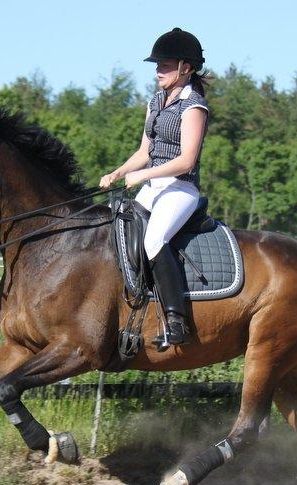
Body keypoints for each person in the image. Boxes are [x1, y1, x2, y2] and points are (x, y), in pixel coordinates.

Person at [100, 27, 210, 349]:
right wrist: (118, 172)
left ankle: (176, 320)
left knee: (153, 239)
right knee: (114, 228)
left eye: (165, 64)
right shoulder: (156, 102)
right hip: (152, 185)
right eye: (157, 64)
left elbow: (186, 161)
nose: (158, 70)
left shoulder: (194, 107)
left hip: (180, 189)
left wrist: (142, 175)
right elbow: (144, 152)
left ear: (185, 68)